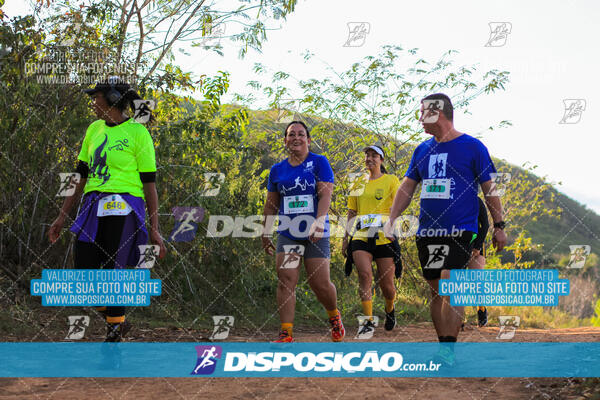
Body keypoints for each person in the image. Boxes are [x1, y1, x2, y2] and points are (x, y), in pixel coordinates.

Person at [384, 93, 507, 364]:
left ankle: (448, 351)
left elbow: (490, 189)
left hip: (460, 229)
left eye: (423, 113)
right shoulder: (422, 150)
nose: (419, 119)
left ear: (438, 113)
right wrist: (391, 219)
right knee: (437, 289)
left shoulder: (473, 147)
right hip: (427, 231)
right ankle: (444, 346)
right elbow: (407, 188)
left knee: (450, 283)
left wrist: (498, 225)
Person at [48, 76, 166, 342]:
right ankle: (118, 321)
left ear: (112, 99)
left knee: (116, 272)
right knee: (84, 274)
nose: (93, 103)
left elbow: (149, 184)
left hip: (125, 205)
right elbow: (79, 176)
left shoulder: (138, 132)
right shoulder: (94, 130)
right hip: (93, 204)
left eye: (97, 98)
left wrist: (155, 230)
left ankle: (113, 335)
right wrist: (61, 216)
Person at [261, 121, 344, 343]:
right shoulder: (277, 170)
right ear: (285, 140)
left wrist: (319, 222)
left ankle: (334, 316)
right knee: (286, 280)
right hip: (288, 233)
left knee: (320, 283)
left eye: (300, 134)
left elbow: (325, 195)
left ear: (308, 139)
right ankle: (286, 332)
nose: (296, 138)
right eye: (291, 135)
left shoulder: (319, 162)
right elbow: (271, 205)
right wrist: (265, 232)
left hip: (315, 232)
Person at [342, 145, 401, 336]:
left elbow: (398, 206)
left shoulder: (391, 180)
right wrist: (346, 238)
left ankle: (390, 309)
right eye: (367, 155)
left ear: (381, 160)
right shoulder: (358, 182)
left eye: (374, 156)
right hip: (361, 236)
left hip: (384, 237)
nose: (369, 159)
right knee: (365, 276)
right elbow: (352, 212)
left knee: (387, 286)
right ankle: (367, 322)